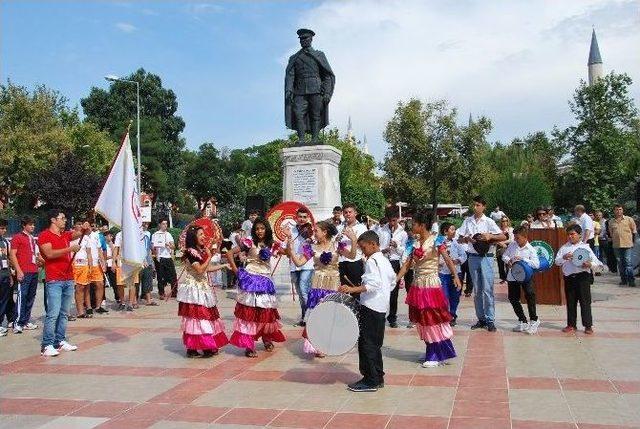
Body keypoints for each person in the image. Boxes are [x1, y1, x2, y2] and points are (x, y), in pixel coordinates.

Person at [397, 211, 461, 368]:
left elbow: (447, 259)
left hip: (431, 284)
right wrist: (395, 279)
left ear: (422, 225)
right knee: (422, 318)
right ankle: (430, 350)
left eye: (414, 223)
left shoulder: (436, 241)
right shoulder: (414, 243)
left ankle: (435, 353)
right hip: (418, 284)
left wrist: (456, 276)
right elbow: (407, 265)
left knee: (431, 317)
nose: (412, 226)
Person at [286, 220, 355, 357]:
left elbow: (352, 256)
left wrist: (353, 239)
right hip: (318, 285)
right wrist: (291, 249)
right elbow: (299, 263)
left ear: (325, 232)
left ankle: (330, 343)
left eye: (316, 230)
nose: (314, 233)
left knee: (332, 315)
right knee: (317, 316)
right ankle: (318, 345)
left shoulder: (336, 245)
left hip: (334, 285)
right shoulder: (311, 247)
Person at [338, 230, 395, 392]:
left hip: (371, 307)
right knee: (375, 344)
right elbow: (391, 280)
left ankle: (371, 380)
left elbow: (373, 284)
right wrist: (384, 295)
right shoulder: (384, 260)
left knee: (366, 344)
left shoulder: (372, 261)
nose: (362, 251)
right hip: (381, 307)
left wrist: (352, 288)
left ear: (373, 244)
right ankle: (377, 376)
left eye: (363, 247)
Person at [227, 218, 285, 358]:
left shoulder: (272, 245)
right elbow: (229, 253)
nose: (259, 231)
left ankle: (267, 338)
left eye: (262, 228)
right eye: (257, 228)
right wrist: (236, 271)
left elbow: (287, 253)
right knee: (250, 313)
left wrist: (288, 239)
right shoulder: (248, 242)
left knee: (266, 312)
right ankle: (249, 344)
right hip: (250, 281)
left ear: (267, 229)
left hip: (265, 282)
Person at [38, 209, 87, 356]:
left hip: (68, 278)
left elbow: (82, 233)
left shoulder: (65, 235)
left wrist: (85, 227)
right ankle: (46, 345)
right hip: (54, 279)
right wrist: (70, 249)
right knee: (53, 313)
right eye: (62, 218)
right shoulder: (44, 235)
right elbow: (49, 254)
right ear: (53, 220)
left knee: (64, 312)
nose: (65, 220)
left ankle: (59, 340)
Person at [177, 226, 229, 358]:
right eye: (201, 234)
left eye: (203, 234)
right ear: (193, 236)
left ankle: (204, 344)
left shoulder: (198, 251)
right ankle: (197, 346)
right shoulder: (190, 252)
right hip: (194, 290)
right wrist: (210, 256)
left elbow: (206, 268)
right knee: (198, 318)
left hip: (202, 288)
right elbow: (200, 270)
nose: (203, 236)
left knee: (206, 317)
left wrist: (223, 266)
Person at [457, 196, 506, 332]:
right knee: (477, 290)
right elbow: (459, 238)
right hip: (472, 257)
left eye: (478, 205)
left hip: (486, 257)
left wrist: (491, 237)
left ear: (484, 206)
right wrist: (466, 239)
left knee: (488, 289)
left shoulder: (489, 221)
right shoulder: (468, 221)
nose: (475, 207)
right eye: (474, 205)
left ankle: (490, 320)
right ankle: (481, 318)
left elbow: (503, 236)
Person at [555, 224, 602, 334]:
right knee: (570, 302)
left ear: (579, 235)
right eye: (568, 234)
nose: (570, 236)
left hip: (583, 278)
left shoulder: (585, 247)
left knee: (585, 302)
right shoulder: (564, 248)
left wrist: (590, 264)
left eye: (573, 234)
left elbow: (598, 264)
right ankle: (571, 325)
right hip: (569, 278)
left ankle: (588, 326)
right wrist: (564, 257)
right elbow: (557, 262)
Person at [502, 226, 541, 334]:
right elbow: (504, 256)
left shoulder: (531, 249)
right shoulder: (512, 245)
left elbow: (536, 264)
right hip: (513, 276)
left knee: (530, 295)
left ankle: (534, 320)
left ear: (525, 237)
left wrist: (523, 259)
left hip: (526, 277)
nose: (515, 240)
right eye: (514, 237)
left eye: (517, 238)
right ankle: (522, 320)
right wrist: (508, 260)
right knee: (513, 298)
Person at [9, 216, 40, 334]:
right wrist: (18, 270)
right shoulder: (17, 237)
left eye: (33, 224)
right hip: (24, 271)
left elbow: (34, 254)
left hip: (34, 270)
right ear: (24, 225)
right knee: (22, 297)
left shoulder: (32, 238)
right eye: (30, 224)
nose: (33, 226)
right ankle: (17, 322)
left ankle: (25, 321)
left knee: (30, 297)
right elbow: (12, 255)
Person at [285, 207, 315, 326]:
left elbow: (314, 245)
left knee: (304, 290)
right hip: (294, 265)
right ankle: (304, 316)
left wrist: (310, 240)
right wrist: (288, 238)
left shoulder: (310, 230)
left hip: (307, 264)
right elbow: (286, 251)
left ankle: (310, 316)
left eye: (304, 217)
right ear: (295, 218)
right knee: (300, 293)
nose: (302, 219)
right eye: (300, 217)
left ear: (307, 218)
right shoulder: (290, 230)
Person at [380, 212, 408, 328]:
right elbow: (377, 246)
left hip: (395, 261)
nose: (392, 223)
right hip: (384, 260)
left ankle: (392, 317)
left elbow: (404, 250)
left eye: (394, 221)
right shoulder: (382, 230)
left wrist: (397, 247)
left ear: (397, 220)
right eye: (390, 221)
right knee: (381, 289)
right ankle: (380, 315)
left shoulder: (403, 233)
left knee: (394, 290)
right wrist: (383, 250)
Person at [438, 222, 466, 326]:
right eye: (452, 229)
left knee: (455, 296)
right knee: (444, 296)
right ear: (445, 231)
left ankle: (452, 314)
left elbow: (464, 255)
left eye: (454, 229)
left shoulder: (456, 243)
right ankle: (445, 316)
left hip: (456, 273)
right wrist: (438, 263)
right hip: (442, 273)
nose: (454, 232)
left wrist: (458, 261)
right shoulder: (439, 243)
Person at [337, 203, 368, 288]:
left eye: (350, 212)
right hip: (341, 261)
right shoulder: (339, 227)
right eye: (345, 212)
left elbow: (364, 245)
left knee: (356, 289)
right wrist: (337, 241)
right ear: (343, 214)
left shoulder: (362, 227)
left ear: (355, 213)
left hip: (355, 262)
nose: (348, 214)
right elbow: (335, 244)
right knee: (344, 291)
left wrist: (353, 239)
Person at [609, 204, 637, 287]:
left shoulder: (629, 219)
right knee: (620, 263)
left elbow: (634, 231)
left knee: (628, 263)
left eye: (620, 209)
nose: (618, 211)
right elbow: (611, 233)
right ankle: (623, 280)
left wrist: (633, 242)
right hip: (616, 245)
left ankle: (631, 280)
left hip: (627, 244)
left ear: (623, 210)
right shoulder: (611, 222)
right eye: (616, 209)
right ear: (614, 211)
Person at [71, 221, 92, 318]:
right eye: (78, 224)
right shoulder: (70, 236)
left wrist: (90, 266)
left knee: (83, 287)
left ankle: (84, 309)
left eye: (81, 224)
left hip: (84, 265)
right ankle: (79, 311)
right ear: (74, 226)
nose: (80, 226)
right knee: (76, 288)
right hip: (73, 264)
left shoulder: (86, 238)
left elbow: (89, 253)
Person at [113, 231, 139, 311]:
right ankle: (123, 302)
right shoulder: (119, 234)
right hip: (121, 262)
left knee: (132, 284)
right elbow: (116, 248)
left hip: (132, 262)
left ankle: (130, 304)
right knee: (120, 285)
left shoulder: (134, 232)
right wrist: (114, 262)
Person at [152, 219, 177, 299]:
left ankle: (174, 292)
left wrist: (168, 245)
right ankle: (161, 293)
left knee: (173, 276)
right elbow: (153, 247)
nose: (165, 225)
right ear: (159, 225)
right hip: (160, 257)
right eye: (163, 224)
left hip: (168, 257)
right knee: (160, 276)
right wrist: (156, 252)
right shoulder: (155, 235)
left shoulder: (168, 234)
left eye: (166, 224)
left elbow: (173, 246)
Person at [87, 224, 107, 314]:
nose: (89, 227)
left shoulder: (96, 236)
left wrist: (103, 263)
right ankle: (88, 307)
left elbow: (100, 250)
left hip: (96, 264)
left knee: (100, 284)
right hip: (84, 265)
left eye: (91, 226)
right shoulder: (81, 236)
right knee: (85, 287)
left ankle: (98, 306)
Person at [0, 219, 14, 337]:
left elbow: (8, 260)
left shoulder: (6, 242)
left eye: (5, 228)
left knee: (4, 300)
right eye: (1, 228)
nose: (3, 231)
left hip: (4, 275)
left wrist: (10, 276)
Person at [139, 223, 157, 306]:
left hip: (148, 263)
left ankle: (148, 300)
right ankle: (135, 301)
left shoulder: (146, 238)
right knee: (136, 283)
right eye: (142, 226)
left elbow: (149, 251)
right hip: (138, 264)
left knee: (148, 282)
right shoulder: (134, 239)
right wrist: (142, 260)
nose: (144, 227)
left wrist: (152, 263)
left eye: (145, 225)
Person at [496, 217, 514, 285]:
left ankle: (507, 278)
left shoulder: (511, 229)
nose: (504, 222)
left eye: (506, 221)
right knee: (500, 263)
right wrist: (500, 243)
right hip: (499, 247)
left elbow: (512, 239)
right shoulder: (498, 230)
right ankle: (503, 278)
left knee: (507, 263)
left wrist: (504, 242)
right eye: (503, 221)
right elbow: (495, 239)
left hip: (508, 247)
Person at [103, 231, 118, 302]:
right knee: (102, 283)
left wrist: (111, 243)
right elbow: (102, 255)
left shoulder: (113, 245)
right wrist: (107, 257)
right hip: (104, 265)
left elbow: (115, 254)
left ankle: (117, 297)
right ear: (105, 237)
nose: (110, 237)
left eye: (111, 236)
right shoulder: (102, 245)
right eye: (109, 236)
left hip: (111, 265)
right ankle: (103, 299)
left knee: (114, 282)